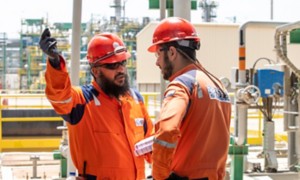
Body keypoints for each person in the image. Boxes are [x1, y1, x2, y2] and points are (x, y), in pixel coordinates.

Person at [39, 28, 153, 180]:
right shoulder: (82, 101)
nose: (121, 69)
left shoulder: (135, 99)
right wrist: (55, 64)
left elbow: (153, 146)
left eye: (122, 62)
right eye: (112, 66)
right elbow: (59, 96)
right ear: (96, 71)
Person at [147, 17, 232, 180]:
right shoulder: (218, 85)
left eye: (158, 54)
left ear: (171, 52)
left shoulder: (181, 85)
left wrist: (159, 176)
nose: (157, 62)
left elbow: (167, 130)